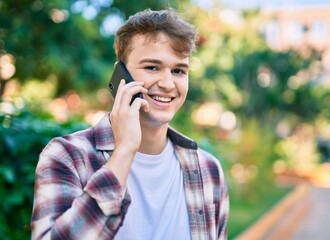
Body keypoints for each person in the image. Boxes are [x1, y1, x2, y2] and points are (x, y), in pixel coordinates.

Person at [31, 8, 229, 240]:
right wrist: (124, 151)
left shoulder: (209, 169)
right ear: (120, 75)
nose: (167, 83)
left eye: (178, 70)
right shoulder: (67, 156)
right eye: (152, 67)